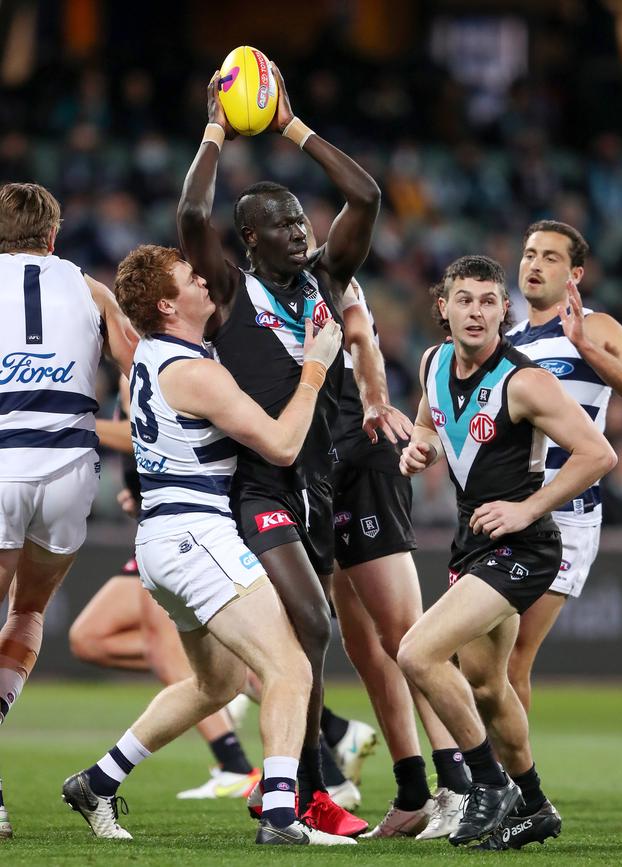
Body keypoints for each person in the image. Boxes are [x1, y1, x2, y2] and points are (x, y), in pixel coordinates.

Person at [61, 243, 355, 847]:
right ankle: (280, 818)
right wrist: (317, 366)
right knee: (291, 667)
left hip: (162, 541)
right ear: (168, 304)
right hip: (199, 533)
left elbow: (119, 322)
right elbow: (282, 445)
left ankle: (98, 781)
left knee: (216, 685)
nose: (205, 280)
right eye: (189, 278)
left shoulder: (152, 354)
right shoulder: (195, 370)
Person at [176, 64, 389, 836]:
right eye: (284, 224)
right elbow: (192, 210)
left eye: (303, 221)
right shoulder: (232, 291)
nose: (302, 233)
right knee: (312, 622)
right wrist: (216, 130)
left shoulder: (328, 279)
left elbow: (365, 197)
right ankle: (302, 790)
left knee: (305, 635)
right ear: (250, 238)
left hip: (318, 482)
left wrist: (294, 126)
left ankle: (301, 792)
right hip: (257, 484)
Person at [397, 255, 617, 848]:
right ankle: (536, 806)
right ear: (443, 309)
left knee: (417, 654)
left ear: (504, 310)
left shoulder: (526, 381)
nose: (477, 312)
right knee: (489, 687)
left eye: (489, 301)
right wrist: (420, 447)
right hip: (474, 541)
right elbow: (428, 422)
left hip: (525, 545)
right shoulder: (432, 362)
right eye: (465, 300)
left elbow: (599, 454)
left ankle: (488, 784)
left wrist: (528, 508)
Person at [0, 182, 138, 839]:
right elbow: (139, 368)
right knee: (27, 610)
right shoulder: (91, 288)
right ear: (53, 238)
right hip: (67, 474)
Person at [326, 276, 471, 839]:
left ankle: (459, 781)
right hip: (318, 464)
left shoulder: (330, 276)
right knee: (362, 644)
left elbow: (361, 338)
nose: (294, 238)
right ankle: (413, 790)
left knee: (406, 638)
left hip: (364, 450)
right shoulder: (256, 287)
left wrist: (376, 399)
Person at [69, 379, 261, 800]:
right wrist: (134, 488)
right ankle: (323, 737)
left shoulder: (153, 352)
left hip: (193, 523)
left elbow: (146, 431)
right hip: (160, 521)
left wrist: (66, 424)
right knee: (90, 639)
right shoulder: (132, 359)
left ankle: (240, 764)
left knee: (175, 649)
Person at [507, 220, 622, 711]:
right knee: (480, 661)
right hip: (510, 507)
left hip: (565, 512)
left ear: (576, 274)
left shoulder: (598, 325)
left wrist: (584, 344)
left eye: (550, 256)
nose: (535, 264)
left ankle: (510, 783)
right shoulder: (510, 341)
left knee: (513, 660)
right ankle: (485, 775)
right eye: (529, 254)